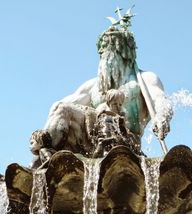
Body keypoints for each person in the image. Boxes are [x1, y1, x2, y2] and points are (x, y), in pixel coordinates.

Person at [45, 12, 173, 151]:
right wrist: (53, 113)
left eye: (113, 50)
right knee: (62, 108)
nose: (107, 55)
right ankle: (45, 151)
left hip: (128, 140)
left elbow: (161, 100)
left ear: (126, 53)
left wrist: (162, 117)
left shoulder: (144, 78)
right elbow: (64, 104)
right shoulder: (93, 86)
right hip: (93, 140)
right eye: (104, 50)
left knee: (105, 110)